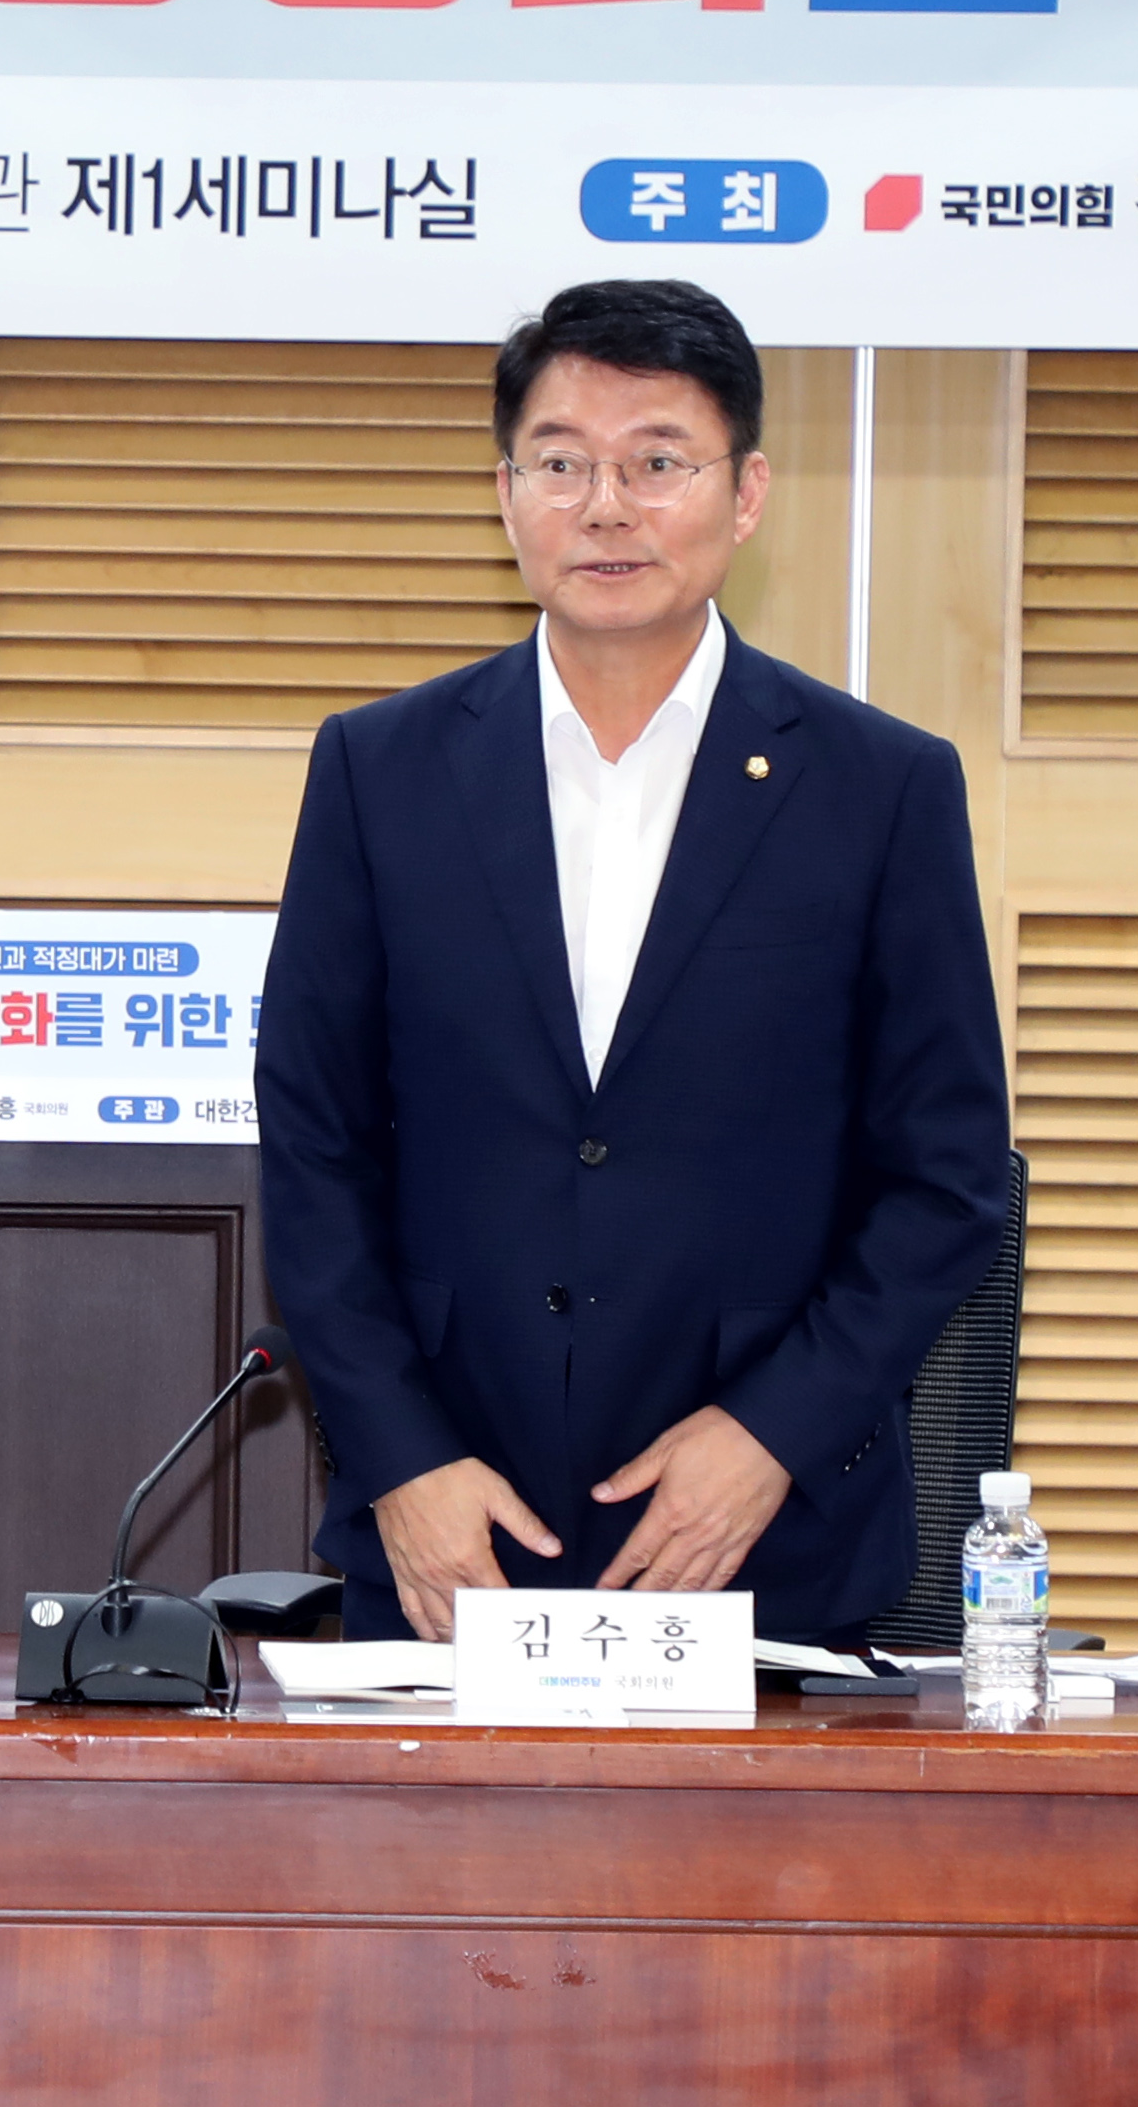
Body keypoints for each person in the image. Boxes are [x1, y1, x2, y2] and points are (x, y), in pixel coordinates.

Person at [257, 279, 1010, 1647]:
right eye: (560, 462)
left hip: (761, 1539)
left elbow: (943, 1174)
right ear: (506, 494)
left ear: (746, 491)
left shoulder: (880, 787)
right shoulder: (380, 769)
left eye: (658, 461)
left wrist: (771, 1433)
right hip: (452, 1542)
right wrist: (401, 1460)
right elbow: (314, 1147)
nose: (606, 506)